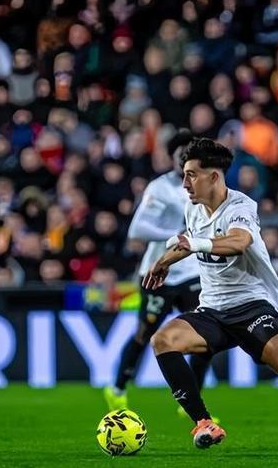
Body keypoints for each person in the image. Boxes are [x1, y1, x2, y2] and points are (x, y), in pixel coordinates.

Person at [144, 138, 278, 457]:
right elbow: (188, 241)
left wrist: (193, 244)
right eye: (184, 174)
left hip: (253, 307)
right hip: (213, 311)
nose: (185, 182)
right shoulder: (192, 207)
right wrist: (166, 259)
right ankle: (203, 422)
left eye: (192, 174)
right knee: (162, 340)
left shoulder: (240, 206)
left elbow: (238, 242)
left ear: (214, 176)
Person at [104, 130, 214, 416]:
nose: (186, 160)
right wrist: (174, 236)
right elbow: (136, 230)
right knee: (145, 332)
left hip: (191, 271)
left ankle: (193, 401)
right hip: (160, 272)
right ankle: (117, 388)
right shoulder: (160, 188)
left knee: (205, 336)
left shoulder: (206, 186)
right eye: (182, 155)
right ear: (173, 158)